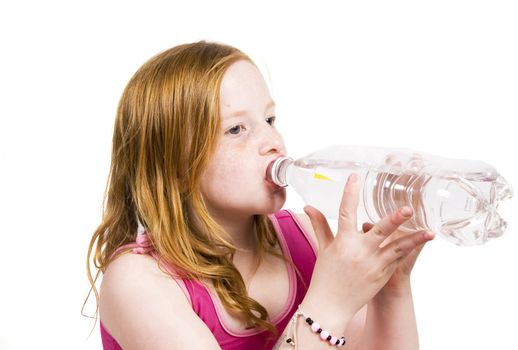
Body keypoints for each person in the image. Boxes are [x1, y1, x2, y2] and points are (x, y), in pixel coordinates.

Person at [85, 41, 435, 349]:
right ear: (174, 164)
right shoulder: (138, 280)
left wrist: (391, 286)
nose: (273, 142)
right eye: (237, 129)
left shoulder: (310, 240)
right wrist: (328, 303)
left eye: (270, 119)